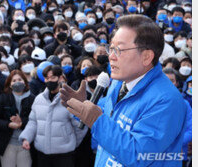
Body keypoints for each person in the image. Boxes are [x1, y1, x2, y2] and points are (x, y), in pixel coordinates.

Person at [60, 15, 187, 166]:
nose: (111, 57)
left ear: (146, 57)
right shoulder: (118, 82)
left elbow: (138, 155)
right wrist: (84, 107)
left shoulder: (166, 101)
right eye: (111, 48)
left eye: (119, 50)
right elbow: (109, 115)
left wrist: (96, 120)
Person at [19, 65, 88, 167]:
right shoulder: (38, 99)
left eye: (52, 77)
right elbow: (33, 122)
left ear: (60, 78)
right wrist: (26, 138)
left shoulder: (70, 100)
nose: (49, 81)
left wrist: (71, 142)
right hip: (43, 154)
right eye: (47, 78)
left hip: (64, 155)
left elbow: (80, 126)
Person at [0, 70, 35, 167]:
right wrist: (8, 124)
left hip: (26, 143)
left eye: (20, 79)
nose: (17, 82)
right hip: (7, 144)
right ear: (10, 84)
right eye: (14, 80)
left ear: (25, 81)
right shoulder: (3, 98)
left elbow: (36, 120)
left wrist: (22, 123)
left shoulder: (32, 98)